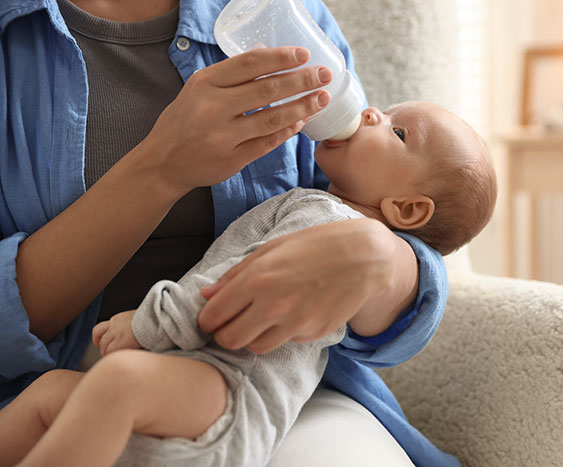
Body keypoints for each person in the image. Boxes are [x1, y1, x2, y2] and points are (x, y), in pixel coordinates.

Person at [0, 0, 459, 465]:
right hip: (75, 370)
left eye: (398, 131)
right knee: (61, 398)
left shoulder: (277, 16)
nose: (372, 113)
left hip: (237, 389)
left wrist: (384, 258)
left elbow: (226, 289)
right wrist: (162, 166)